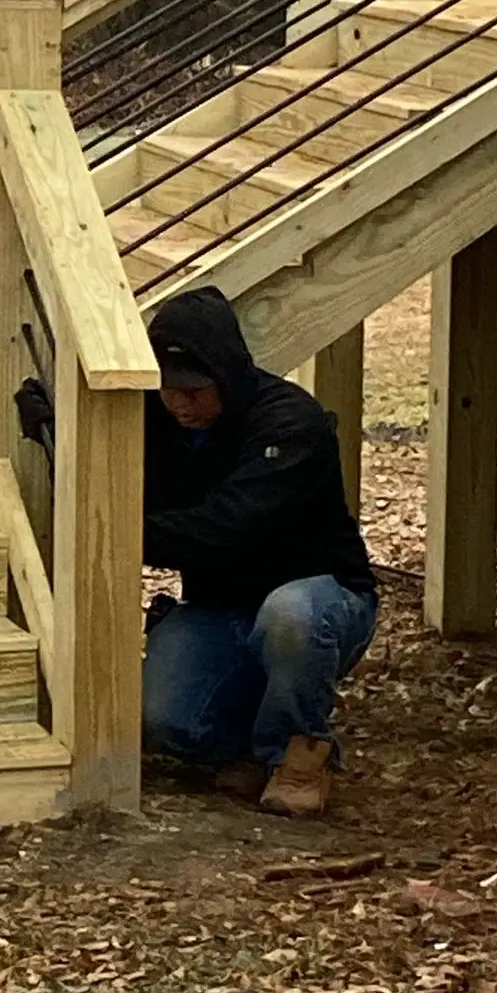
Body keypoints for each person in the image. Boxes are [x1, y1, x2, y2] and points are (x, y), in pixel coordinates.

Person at [140, 286, 377, 818]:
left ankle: (299, 751)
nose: (179, 403)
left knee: (289, 617)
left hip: (323, 596)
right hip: (219, 606)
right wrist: (54, 431)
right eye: (167, 389)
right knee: (166, 721)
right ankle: (251, 745)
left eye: (195, 390)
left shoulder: (291, 423)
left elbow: (226, 529)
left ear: (227, 373)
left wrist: (122, 531)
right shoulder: (161, 420)